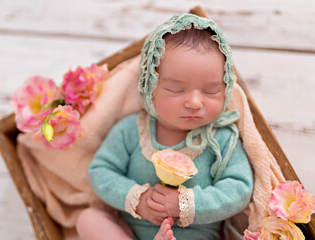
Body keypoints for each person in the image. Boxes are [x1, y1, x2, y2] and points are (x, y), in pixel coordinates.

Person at [76, 13, 253, 240]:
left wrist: (185, 205)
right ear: (150, 88)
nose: (195, 103)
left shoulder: (221, 139)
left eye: (211, 91)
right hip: (132, 232)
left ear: (226, 88)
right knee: (89, 219)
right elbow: (101, 172)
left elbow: (239, 188)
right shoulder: (131, 130)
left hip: (196, 236)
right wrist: (137, 200)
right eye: (176, 90)